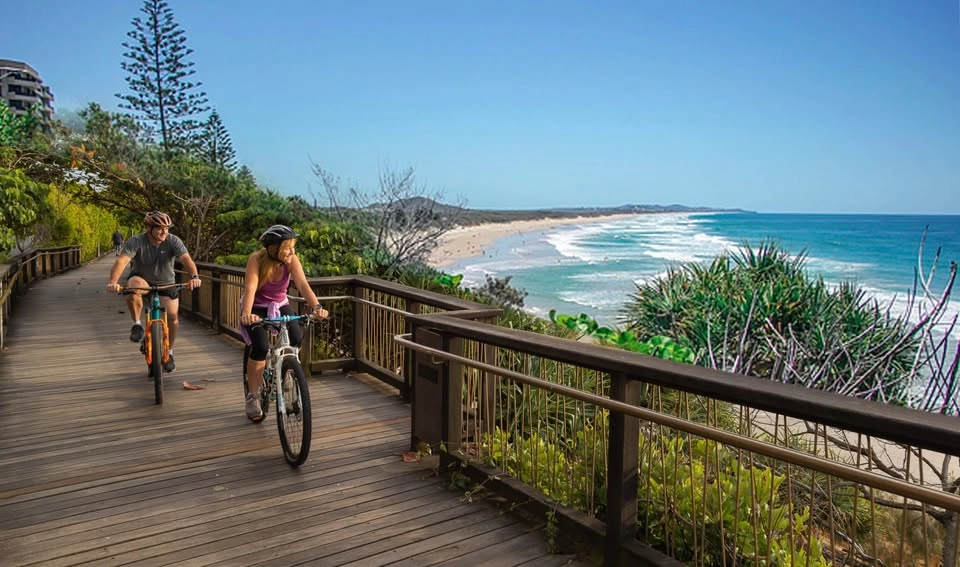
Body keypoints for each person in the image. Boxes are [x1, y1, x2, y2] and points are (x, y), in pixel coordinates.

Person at [239, 224, 328, 422]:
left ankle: (286, 368)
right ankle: (253, 396)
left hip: (280, 304)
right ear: (273, 248)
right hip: (256, 307)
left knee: (296, 337)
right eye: (288, 247)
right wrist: (246, 313)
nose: (292, 251)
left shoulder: (291, 261)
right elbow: (250, 288)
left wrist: (316, 307)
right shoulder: (256, 259)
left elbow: (303, 285)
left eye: (292, 247)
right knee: (260, 347)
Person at [105, 211, 202, 373]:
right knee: (133, 285)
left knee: (172, 317)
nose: (164, 232)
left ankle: (169, 352)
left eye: (167, 228)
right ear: (149, 228)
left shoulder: (173, 241)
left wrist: (195, 276)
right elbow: (122, 261)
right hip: (143, 280)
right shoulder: (137, 241)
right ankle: (137, 325)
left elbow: (186, 260)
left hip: (166, 283)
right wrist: (113, 282)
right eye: (160, 228)